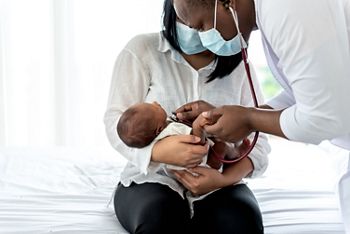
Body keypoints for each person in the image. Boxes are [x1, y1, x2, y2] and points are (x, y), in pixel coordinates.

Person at [171, 0, 350, 232]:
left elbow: (323, 118)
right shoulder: (272, 11)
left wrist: (249, 119)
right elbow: (310, 92)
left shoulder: (287, 8)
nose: (205, 39)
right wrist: (242, 118)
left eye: (202, 26)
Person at [104, 0, 270, 233]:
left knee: (242, 222)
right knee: (159, 218)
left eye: (203, 24)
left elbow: (259, 146)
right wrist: (159, 152)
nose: (195, 28)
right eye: (189, 21)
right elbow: (116, 123)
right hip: (152, 179)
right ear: (173, 11)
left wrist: (223, 180)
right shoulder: (142, 50)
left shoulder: (241, 68)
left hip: (218, 181)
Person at [116, 101, 225, 170]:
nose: (155, 103)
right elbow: (196, 141)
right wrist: (198, 125)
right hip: (201, 163)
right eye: (155, 108)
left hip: (183, 170)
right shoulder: (172, 129)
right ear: (159, 129)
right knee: (222, 145)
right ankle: (231, 156)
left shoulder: (157, 135)